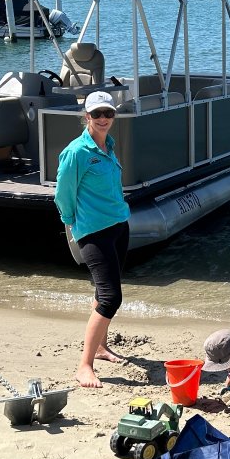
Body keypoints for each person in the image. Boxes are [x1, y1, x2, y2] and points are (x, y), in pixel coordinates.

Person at [54, 91, 132, 388]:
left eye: (108, 114)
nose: (103, 119)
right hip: (92, 231)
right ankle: (84, 365)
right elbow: (63, 194)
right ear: (86, 116)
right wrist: (72, 224)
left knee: (103, 291)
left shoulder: (108, 145)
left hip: (118, 226)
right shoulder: (76, 152)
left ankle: (100, 347)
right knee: (112, 297)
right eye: (97, 114)